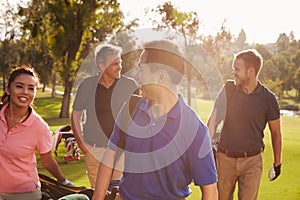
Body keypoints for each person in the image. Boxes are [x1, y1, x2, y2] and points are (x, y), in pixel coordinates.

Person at [92, 40, 218, 200]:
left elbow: (210, 191)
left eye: (141, 70)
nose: (137, 76)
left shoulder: (195, 129)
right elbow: (110, 155)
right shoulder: (131, 108)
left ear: (160, 76)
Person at [207, 49, 282, 200]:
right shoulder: (228, 89)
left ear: (251, 71)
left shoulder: (268, 99)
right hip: (224, 159)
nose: (233, 72)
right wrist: (205, 154)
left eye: (237, 69)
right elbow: (213, 121)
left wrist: (277, 163)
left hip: (252, 162)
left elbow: (276, 133)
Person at [0, 64, 75, 200]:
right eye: (19, 86)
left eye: (31, 88)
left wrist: (64, 182)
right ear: (8, 89)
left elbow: (47, 162)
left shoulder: (39, 127)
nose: (25, 92)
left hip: (24, 194)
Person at [71, 44, 138, 189]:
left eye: (120, 62)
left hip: (121, 151)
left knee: (118, 193)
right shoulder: (87, 85)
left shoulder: (130, 85)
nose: (120, 67)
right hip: (95, 150)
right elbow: (76, 115)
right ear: (102, 66)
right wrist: (83, 145)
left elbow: (141, 115)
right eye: (115, 64)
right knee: (98, 194)